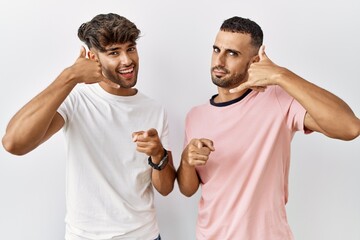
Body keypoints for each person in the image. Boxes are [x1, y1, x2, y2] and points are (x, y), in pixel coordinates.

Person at [177, 16, 360, 239]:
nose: (220, 61)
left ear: (254, 62)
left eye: (232, 53)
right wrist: (187, 160)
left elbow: (350, 127)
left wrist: (280, 75)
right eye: (216, 50)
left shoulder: (277, 99)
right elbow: (188, 190)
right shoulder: (196, 115)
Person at [2, 13, 176, 240]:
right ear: (93, 57)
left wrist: (157, 154)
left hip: (145, 235)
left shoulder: (154, 109)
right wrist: (70, 76)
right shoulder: (76, 100)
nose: (127, 60)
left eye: (130, 48)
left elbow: (165, 188)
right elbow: (13, 142)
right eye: (114, 52)